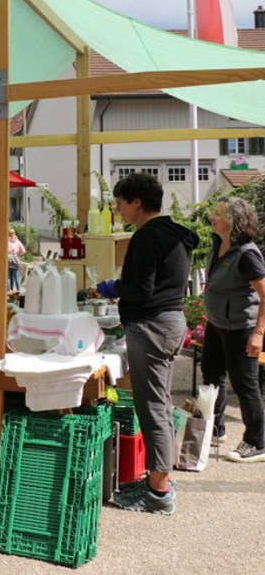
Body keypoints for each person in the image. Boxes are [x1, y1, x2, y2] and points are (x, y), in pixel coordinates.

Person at [95, 172, 197, 514]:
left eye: (120, 203)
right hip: (170, 323)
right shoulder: (172, 232)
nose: (118, 209)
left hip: (151, 326)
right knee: (160, 403)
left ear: (136, 202)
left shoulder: (147, 236)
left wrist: (112, 288)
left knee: (151, 407)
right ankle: (160, 478)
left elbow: (140, 290)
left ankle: (158, 492)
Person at [201, 196, 265, 463]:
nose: (212, 217)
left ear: (233, 221)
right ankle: (216, 429)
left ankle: (257, 442)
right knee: (211, 374)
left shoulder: (247, 254)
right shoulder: (218, 244)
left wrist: (259, 333)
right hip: (217, 323)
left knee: (245, 384)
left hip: (241, 327)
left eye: (218, 213)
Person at [7, 227, 26, 291]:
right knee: (16, 276)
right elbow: (23, 251)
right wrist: (18, 254)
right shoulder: (17, 241)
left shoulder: (6, 241)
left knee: (8, 277)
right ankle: (18, 290)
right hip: (15, 259)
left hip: (8, 259)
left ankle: (9, 290)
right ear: (14, 233)